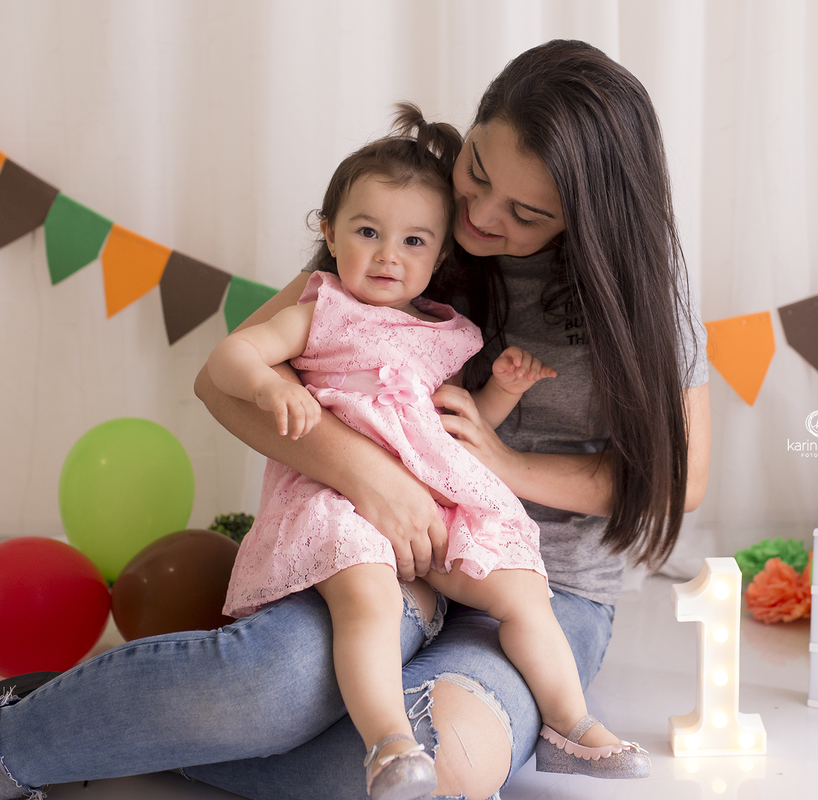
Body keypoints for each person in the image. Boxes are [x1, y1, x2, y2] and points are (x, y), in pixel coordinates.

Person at [0, 39, 710, 800]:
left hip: (541, 584)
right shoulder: (407, 216)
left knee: (447, 764)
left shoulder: (640, 294)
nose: (477, 213)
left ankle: (115, 733)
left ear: (587, 218)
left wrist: (502, 467)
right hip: (377, 547)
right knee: (269, 688)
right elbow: (228, 383)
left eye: (526, 212)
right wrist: (372, 477)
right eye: (477, 169)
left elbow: (680, 483)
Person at [206, 103, 648, 798]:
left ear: (440, 255)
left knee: (524, 594)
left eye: (414, 242)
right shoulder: (320, 309)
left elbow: (448, 423)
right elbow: (228, 360)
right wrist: (268, 386)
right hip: (344, 501)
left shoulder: (442, 330)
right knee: (369, 601)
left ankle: (571, 725)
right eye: (368, 232)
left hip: (434, 505)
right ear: (329, 232)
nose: (388, 255)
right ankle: (390, 743)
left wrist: (498, 397)